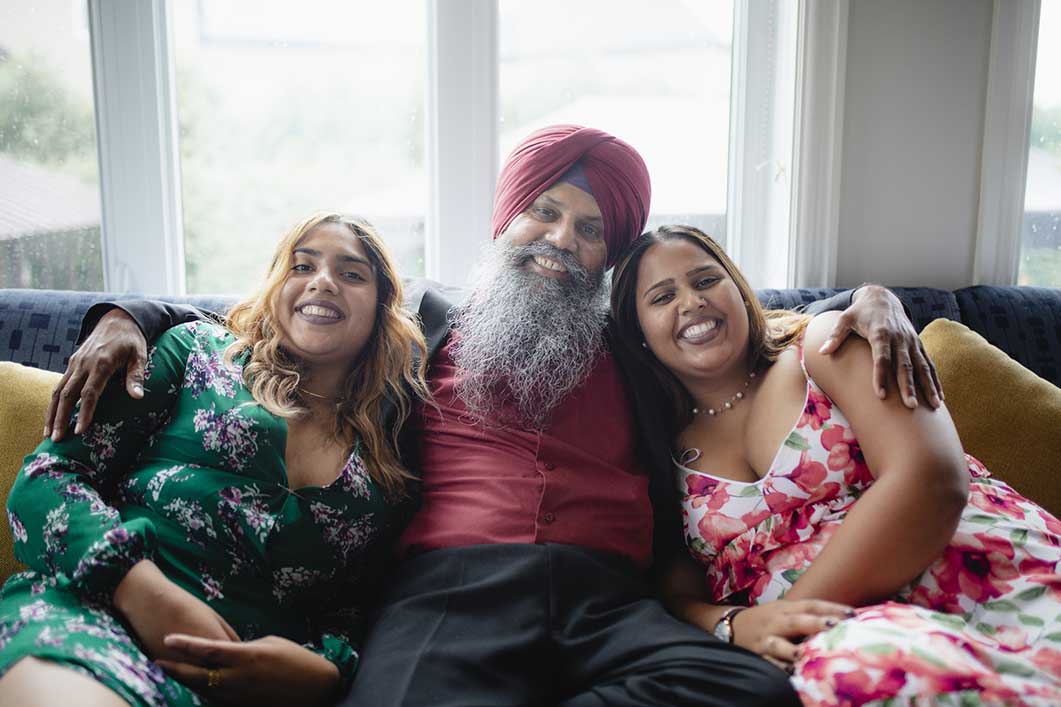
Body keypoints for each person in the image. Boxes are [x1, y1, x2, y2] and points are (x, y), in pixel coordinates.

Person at [44, 125, 939, 706]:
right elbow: (268, 317)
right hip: (453, 590)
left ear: (607, 255)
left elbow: (746, 328)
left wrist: (868, 298)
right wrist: (127, 317)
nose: (561, 240)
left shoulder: (640, 340)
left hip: (610, 597)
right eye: (544, 213)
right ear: (507, 219)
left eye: (589, 230)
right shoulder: (416, 328)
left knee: (749, 695)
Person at [609, 224, 1061, 706]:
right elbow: (673, 584)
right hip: (839, 641)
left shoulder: (823, 344)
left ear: (738, 290)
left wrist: (791, 616)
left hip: (979, 573)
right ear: (638, 335)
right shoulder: (656, 446)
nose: (692, 302)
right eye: (662, 297)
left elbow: (933, 482)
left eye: (704, 280)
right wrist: (735, 626)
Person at [0, 213, 430, 706]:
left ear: (381, 307)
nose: (324, 282)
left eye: (352, 274)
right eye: (301, 266)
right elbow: (47, 479)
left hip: (248, 688)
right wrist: (137, 589)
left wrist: (326, 671)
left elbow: (362, 606)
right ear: (276, 287)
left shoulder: (389, 455)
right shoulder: (197, 353)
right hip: (93, 625)